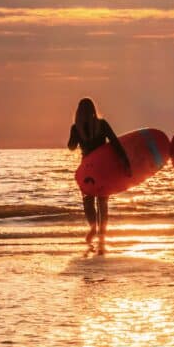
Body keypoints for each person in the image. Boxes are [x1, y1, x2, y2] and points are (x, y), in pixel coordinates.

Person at [68, 97, 131, 251]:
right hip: (103, 168)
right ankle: (102, 234)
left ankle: (93, 227)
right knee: (102, 203)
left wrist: (75, 135)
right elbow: (116, 143)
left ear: (78, 112)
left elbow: (71, 147)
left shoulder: (76, 128)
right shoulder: (102, 125)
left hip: (88, 169)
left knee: (88, 202)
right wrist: (126, 163)